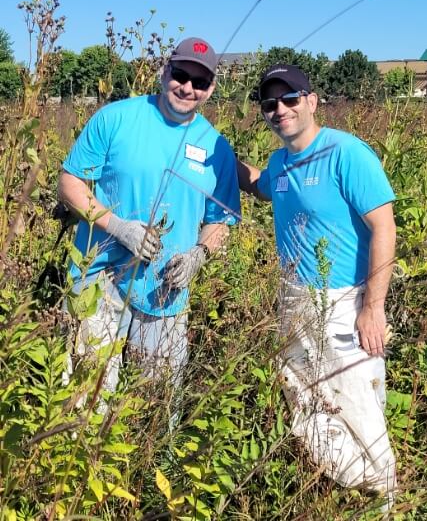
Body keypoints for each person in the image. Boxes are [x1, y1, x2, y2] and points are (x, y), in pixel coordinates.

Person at [237, 64, 397, 503]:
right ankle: (348, 486)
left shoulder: (346, 153)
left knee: (355, 397)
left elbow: (384, 227)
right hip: (294, 297)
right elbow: (261, 186)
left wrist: (373, 306)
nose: (280, 109)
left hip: (343, 298)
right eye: (270, 104)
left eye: (290, 99)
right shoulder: (280, 161)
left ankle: (384, 494)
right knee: (303, 395)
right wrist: (208, 151)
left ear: (312, 100)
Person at [58, 37, 241, 407]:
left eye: (200, 82)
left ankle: (144, 463)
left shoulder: (216, 145)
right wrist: (119, 227)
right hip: (99, 279)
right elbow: (70, 182)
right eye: (181, 74)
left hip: (166, 292)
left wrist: (199, 255)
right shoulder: (116, 118)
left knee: (155, 404)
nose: (187, 87)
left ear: (211, 90)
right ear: (164, 71)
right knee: (85, 397)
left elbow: (220, 219)